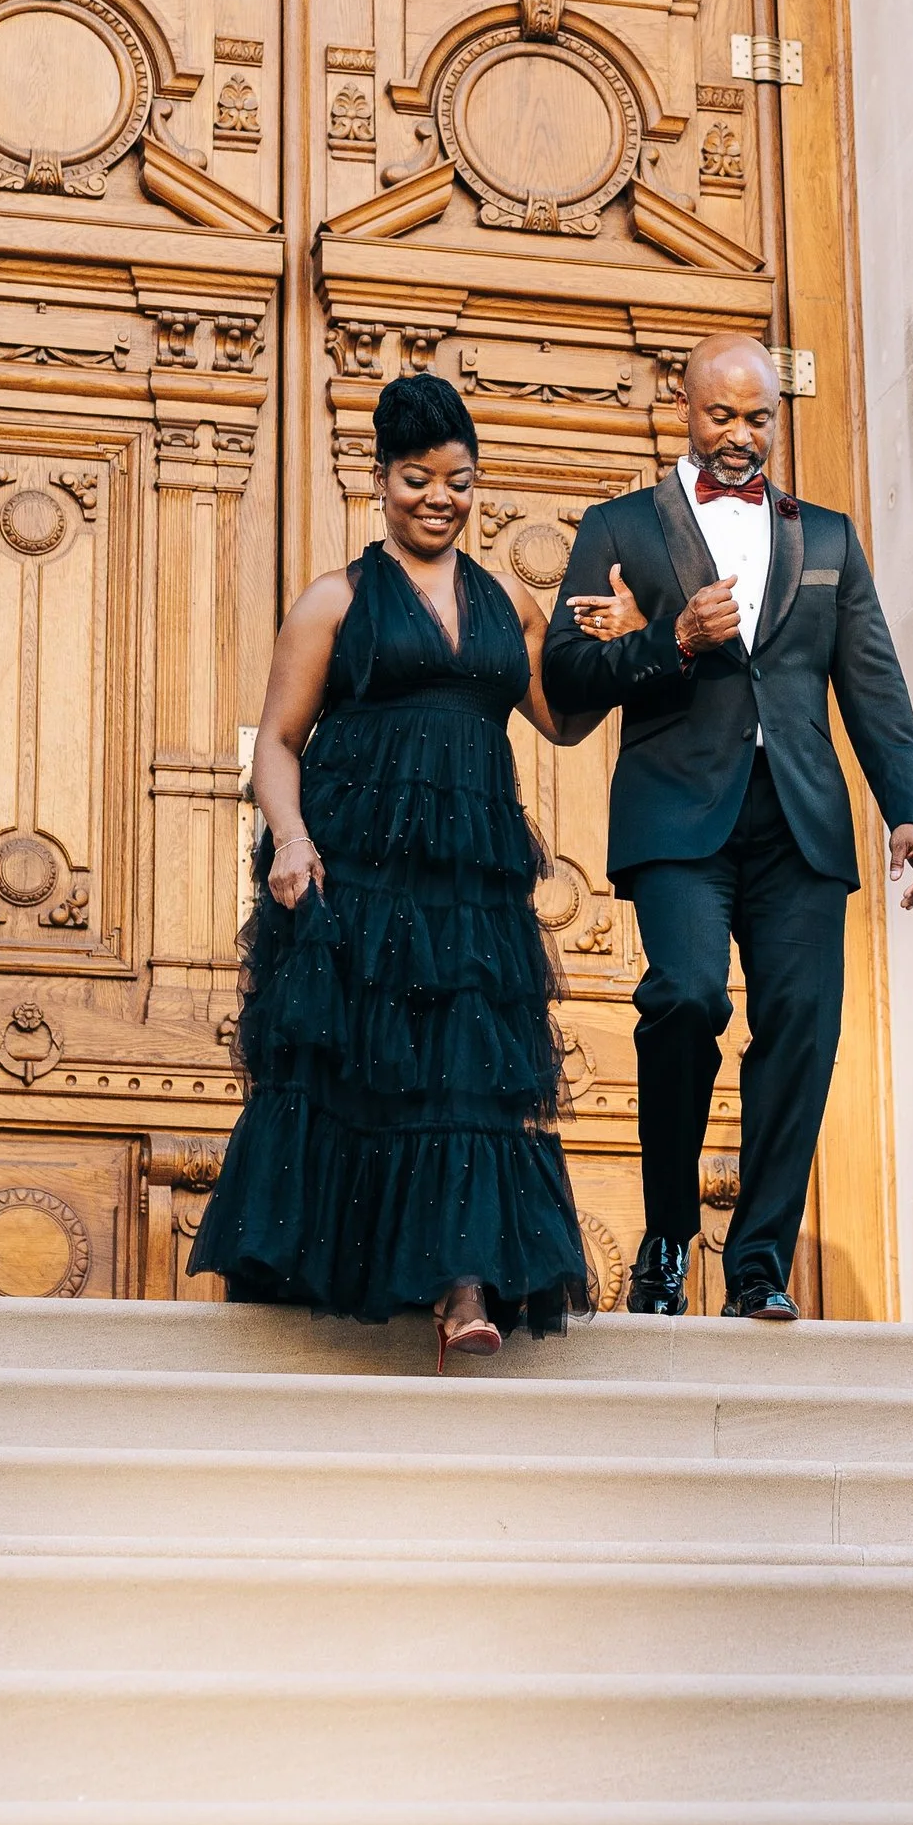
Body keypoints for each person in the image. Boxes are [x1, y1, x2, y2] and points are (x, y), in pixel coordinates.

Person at [190, 370, 608, 1364]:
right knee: (362, 1068)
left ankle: (465, 1289)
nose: (439, 498)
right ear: (380, 482)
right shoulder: (334, 600)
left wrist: (615, 650)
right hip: (358, 871)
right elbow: (278, 744)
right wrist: (292, 839)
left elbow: (561, 717)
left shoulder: (508, 596)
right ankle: (333, 1268)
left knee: (465, 1073)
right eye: (418, 478)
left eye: (458, 480)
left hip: (469, 880)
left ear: (477, 485)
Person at [541, 336, 913, 1321]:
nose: (738, 435)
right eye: (721, 416)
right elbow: (562, 678)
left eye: (757, 417)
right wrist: (667, 640)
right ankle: (669, 1236)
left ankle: (757, 1265)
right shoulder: (620, 528)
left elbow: (873, 685)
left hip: (800, 819)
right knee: (681, 1000)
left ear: (776, 417)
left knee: (802, 1030)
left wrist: (910, 810)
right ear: (684, 409)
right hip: (677, 811)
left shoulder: (831, 539)